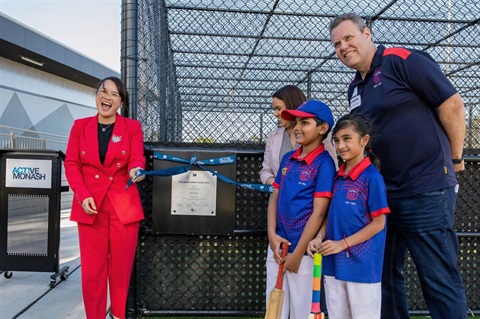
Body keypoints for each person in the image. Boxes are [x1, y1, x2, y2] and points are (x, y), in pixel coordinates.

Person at [329, 13, 467, 318]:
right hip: (383, 195)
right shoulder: (354, 89)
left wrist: (455, 160)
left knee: (437, 277)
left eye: (348, 38)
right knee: (385, 276)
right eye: (337, 44)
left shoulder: (401, 60)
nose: (343, 47)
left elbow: (452, 104)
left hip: (425, 188)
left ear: (367, 34)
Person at [64, 76, 145, 319]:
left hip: (123, 207)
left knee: (120, 272)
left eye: (113, 94)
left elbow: (137, 158)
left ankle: (118, 315)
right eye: (103, 91)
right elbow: (71, 164)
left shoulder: (132, 127)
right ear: (96, 95)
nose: (106, 97)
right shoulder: (80, 126)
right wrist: (82, 194)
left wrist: (136, 170)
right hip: (90, 206)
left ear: (121, 102)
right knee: (92, 273)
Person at [308, 113, 390, 318]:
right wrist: (318, 238)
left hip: (362, 266)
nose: (340, 146)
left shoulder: (372, 178)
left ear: (364, 140)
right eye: (336, 140)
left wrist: (342, 244)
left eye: (347, 139)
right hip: (333, 262)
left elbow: (379, 223)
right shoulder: (338, 177)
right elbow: (330, 216)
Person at [266, 99, 336, 319]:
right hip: (277, 247)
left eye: (304, 123)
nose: (297, 127)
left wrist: (297, 253)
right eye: (296, 122)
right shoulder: (288, 159)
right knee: (274, 308)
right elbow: (275, 198)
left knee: (301, 310)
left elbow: (319, 213)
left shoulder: (325, 164)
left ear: (322, 128)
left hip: (303, 253)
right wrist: (271, 235)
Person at [260, 85, 337, 186]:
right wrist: (277, 184)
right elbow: (265, 170)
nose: (275, 113)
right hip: (281, 196)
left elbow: (332, 168)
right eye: (274, 109)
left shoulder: (321, 135)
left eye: (279, 108)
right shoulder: (273, 136)